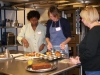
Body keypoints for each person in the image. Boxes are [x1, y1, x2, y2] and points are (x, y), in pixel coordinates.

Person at [70, 6, 100, 75]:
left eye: (82, 18)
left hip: (94, 69)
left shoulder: (94, 32)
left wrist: (78, 60)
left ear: (88, 18)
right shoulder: (97, 29)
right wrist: (81, 58)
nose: (82, 20)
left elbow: (90, 52)